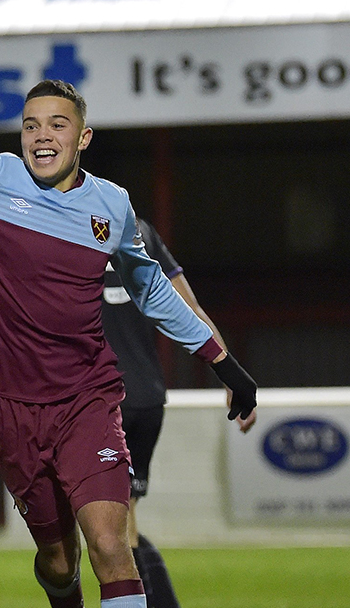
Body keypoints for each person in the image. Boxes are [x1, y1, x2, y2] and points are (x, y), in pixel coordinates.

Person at [0, 80, 258, 608]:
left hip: (88, 402)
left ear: (84, 137)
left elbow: (152, 290)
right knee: (58, 561)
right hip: (13, 411)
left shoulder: (111, 204)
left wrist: (223, 363)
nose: (43, 136)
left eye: (58, 124)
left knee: (111, 547)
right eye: (32, 125)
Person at [102, 218, 257, 608]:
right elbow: (190, 306)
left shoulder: (58, 224)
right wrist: (229, 374)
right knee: (122, 522)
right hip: (147, 398)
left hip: (103, 400)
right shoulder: (140, 230)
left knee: (112, 532)